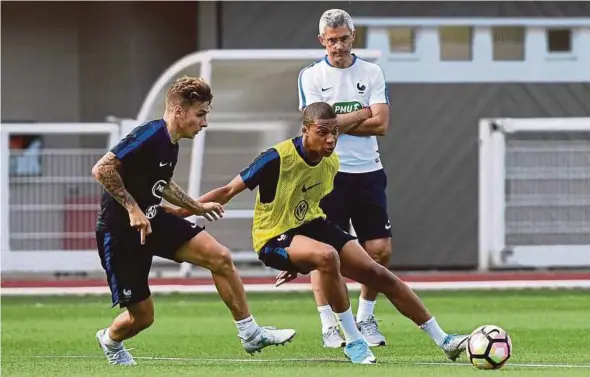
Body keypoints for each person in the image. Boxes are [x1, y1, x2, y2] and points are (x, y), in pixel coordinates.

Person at [171, 102, 468, 364]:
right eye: (322, 132)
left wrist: (299, 261)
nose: (330, 139)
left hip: (311, 227)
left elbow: (312, 206)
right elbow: (227, 190)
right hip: (273, 236)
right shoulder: (275, 158)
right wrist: (184, 210)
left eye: (334, 133)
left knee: (378, 274)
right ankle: (353, 342)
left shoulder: (331, 163)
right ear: (305, 130)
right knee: (326, 256)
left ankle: (445, 340)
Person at [91, 75, 295, 366]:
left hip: (153, 220)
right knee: (143, 318)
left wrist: (195, 206)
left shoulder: (171, 143)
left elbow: (163, 185)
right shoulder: (150, 135)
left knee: (220, 257)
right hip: (121, 233)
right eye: (200, 115)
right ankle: (110, 340)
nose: (204, 123)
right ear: (179, 111)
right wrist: (133, 209)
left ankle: (250, 333)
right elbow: (102, 169)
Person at [297, 8, 393, 348]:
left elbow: (381, 125)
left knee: (379, 250)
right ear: (322, 40)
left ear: (353, 38)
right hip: (327, 174)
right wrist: (364, 111)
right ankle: (330, 324)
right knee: (325, 254)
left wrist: (340, 118)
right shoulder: (311, 76)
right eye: (331, 40)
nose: (338, 46)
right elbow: (319, 127)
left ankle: (366, 318)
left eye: (343, 39)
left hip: (368, 171)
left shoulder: (372, 72)